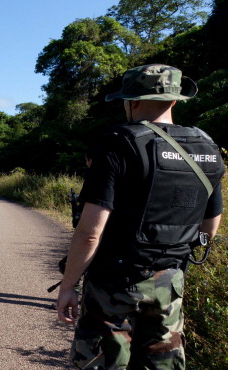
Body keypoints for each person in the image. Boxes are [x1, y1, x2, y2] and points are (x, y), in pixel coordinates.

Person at [56, 64, 225, 369]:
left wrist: (69, 285)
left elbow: (90, 232)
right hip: (171, 282)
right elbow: (210, 227)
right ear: (175, 100)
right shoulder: (208, 148)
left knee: (103, 360)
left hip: (114, 282)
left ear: (132, 101)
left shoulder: (119, 143)